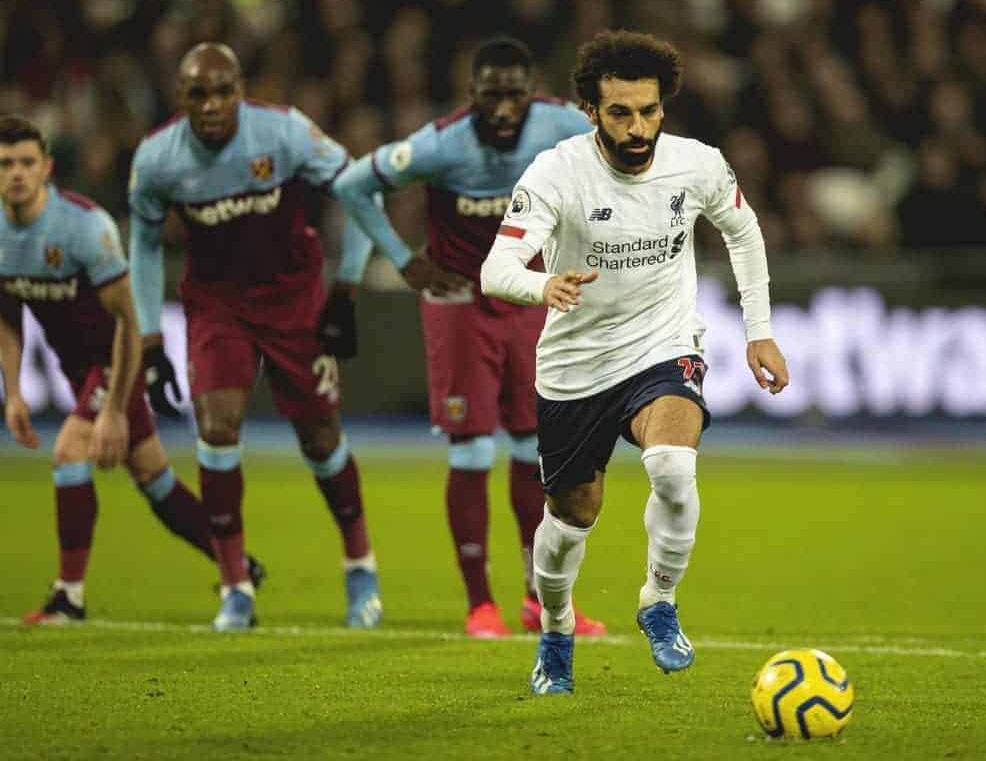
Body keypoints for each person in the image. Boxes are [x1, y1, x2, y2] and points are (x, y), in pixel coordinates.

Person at [480, 30, 789, 694]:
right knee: (570, 519)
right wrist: (543, 287)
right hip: (576, 364)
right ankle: (556, 630)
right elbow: (495, 268)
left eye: (649, 111)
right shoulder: (556, 173)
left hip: (663, 342)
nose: (638, 126)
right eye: (620, 113)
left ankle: (658, 600)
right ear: (590, 111)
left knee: (674, 468)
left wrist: (758, 331)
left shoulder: (697, 165)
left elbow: (743, 229)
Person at [127, 43, 416, 631]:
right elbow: (144, 245)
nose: (211, 105)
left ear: (241, 89)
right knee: (216, 427)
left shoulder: (284, 134)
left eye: (222, 91)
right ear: (179, 98)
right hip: (216, 307)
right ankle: (235, 586)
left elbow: (360, 188)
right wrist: (151, 342)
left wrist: (345, 290)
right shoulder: (158, 159)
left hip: (294, 300)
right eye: (197, 94)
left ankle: (360, 564)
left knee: (319, 437)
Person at [333, 37, 605, 637]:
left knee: (537, 450)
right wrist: (404, 261)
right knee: (472, 450)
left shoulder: (561, 124)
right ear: (473, 95)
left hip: (530, 301)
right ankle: (480, 603)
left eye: (514, 94)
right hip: (460, 305)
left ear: (531, 92)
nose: (504, 108)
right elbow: (353, 184)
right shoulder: (441, 144)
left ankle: (541, 601)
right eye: (492, 95)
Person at [0, 115, 264, 624]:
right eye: (6, 163)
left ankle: (68, 597)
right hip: (78, 370)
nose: (16, 173)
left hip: (115, 360)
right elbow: (7, 319)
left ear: (47, 168)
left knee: (70, 450)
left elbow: (129, 320)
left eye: (27, 162)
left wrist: (116, 406)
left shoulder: (83, 228)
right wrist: (13, 393)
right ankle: (238, 568)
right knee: (155, 479)